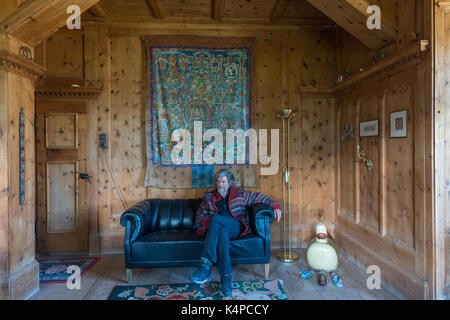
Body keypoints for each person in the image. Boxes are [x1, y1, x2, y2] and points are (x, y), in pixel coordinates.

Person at [190, 169, 282, 296]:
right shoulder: (209, 198)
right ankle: (226, 281)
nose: (219, 184)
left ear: (229, 182)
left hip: (236, 226)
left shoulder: (240, 194)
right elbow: (199, 216)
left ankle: (206, 265)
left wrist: (275, 206)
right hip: (220, 230)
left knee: (216, 219)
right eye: (218, 181)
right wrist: (209, 223)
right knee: (222, 232)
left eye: (222, 181)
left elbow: (259, 197)